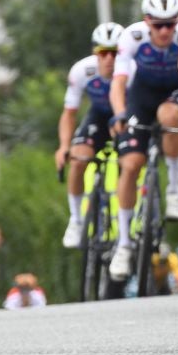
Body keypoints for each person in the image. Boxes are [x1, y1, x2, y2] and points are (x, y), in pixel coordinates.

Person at [108, 0, 178, 280]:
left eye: (170, 23)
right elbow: (118, 82)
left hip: (175, 93)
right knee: (130, 166)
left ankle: (172, 188)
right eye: (158, 24)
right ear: (147, 22)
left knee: (170, 117)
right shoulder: (133, 37)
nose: (165, 30)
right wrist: (119, 114)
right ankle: (124, 245)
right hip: (141, 97)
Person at [57, 22, 126, 248]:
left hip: (126, 115)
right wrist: (64, 146)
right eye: (103, 53)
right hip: (98, 117)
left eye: (114, 52)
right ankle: (76, 220)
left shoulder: (132, 69)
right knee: (78, 161)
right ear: (94, 54)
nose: (109, 59)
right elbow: (69, 113)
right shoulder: (81, 71)